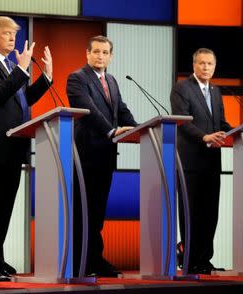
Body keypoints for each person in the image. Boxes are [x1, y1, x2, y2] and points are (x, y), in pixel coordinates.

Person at [0, 16, 53, 282]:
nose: (11, 39)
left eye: (14, 35)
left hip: (13, 146)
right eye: (6, 34)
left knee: (4, 208)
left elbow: (22, 98)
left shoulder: (8, 65)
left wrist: (46, 78)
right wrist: (22, 69)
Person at [66, 35, 137, 277]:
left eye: (105, 52)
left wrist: (139, 129)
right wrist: (112, 130)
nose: (100, 56)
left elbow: (121, 109)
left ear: (111, 56)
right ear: (87, 53)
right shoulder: (77, 78)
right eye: (96, 51)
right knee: (82, 210)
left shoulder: (112, 80)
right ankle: (79, 262)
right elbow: (89, 111)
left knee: (97, 211)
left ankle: (94, 259)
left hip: (106, 154)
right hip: (85, 153)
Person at [170, 48, 232, 275]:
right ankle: (190, 260)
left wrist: (237, 132)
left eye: (210, 64)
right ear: (194, 65)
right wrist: (204, 137)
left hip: (212, 161)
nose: (206, 68)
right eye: (202, 63)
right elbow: (182, 121)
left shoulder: (216, 91)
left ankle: (205, 259)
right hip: (190, 161)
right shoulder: (182, 88)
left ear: (214, 67)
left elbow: (221, 122)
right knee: (191, 212)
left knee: (210, 213)